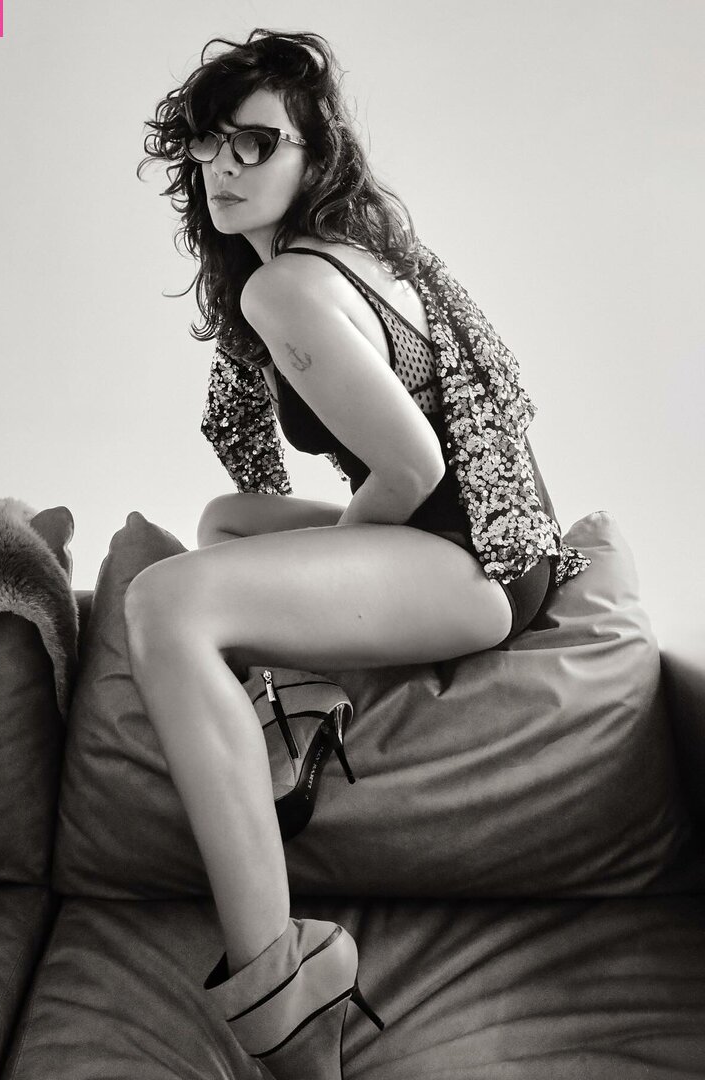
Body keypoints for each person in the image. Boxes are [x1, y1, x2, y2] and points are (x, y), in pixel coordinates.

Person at [135, 28, 590, 1080]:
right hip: (505, 542)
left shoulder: (285, 286)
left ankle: (283, 984)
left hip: (469, 560)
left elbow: (413, 467)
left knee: (166, 604)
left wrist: (330, 581)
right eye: (208, 143)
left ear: (314, 155)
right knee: (226, 522)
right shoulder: (352, 254)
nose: (222, 167)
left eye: (256, 143)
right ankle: (297, 716)